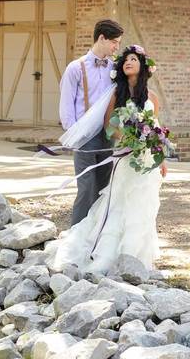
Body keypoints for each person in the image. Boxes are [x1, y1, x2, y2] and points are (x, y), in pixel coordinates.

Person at [51, 45, 167, 274]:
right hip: (125, 157)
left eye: (133, 59)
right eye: (125, 60)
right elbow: (109, 127)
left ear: (143, 66)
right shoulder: (117, 95)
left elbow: (156, 128)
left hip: (146, 160)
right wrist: (128, 138)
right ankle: (105, 253)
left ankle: (134, 256)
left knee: (142, 204)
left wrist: (160, 158)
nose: (128, 62)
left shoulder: (152, 97)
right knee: (119, 202)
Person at [59, 19, 124, 226]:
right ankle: (76, 235)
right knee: (86, 187)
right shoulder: (75, 68)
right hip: (85, 137)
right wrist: (75, 134)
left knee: (103, 187)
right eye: (114, 42)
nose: (117, 47)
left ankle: (96, 233)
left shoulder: (115, 68)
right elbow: (67, 105)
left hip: (108, 135)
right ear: (102, 38)